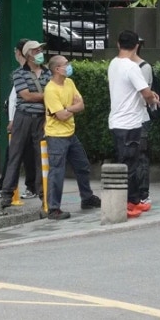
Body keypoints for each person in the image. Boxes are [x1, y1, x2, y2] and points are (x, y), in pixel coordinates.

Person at [107, 30, 160, 217]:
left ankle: (132, 200)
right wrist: (153, 98)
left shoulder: (113, 64)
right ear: (136, 46)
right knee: (130, 165)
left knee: (125, 162)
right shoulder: (132, 68)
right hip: (130, 122)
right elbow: (145, 92)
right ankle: (131, 202)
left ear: (118, 44)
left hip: (116, 121)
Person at [43, 55, 101, 219]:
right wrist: (72, 108)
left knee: (82, 166)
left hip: (70, 134)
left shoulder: (69, 83)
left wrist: (68, 109)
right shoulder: (50, 90)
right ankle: (53, 209)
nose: (69, 66)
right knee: (57, 173)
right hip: (56, 136)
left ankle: (87, 198)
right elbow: (61, 116)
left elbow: (81, 105)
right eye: (65, 64)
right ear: (57, 69)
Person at [0, 40, 50, 209]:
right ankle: (7, 194)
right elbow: (26, 95)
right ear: (28, 55)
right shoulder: (19, 74)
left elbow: (50, 94)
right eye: (36, 51)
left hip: (42, 118)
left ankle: (44, 194)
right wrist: (46, 95)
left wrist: (42, 96)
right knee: (15, 154)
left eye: (40, 50)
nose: (40, 53)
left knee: (41, 157)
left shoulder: (48, 73)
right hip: (23, 117)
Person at [0, 39, 36, 198]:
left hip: (26, 119)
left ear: (19, 52)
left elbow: (22, 98)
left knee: (18, 154)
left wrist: (13, 120)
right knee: (19, 153)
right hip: (21, 119)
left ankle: (22, 186)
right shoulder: (21, 71)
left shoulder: (30, 72)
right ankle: (8, 184)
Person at [132, 38, 154, 206]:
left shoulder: (143, 67)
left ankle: (142, 194)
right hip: (125, 120)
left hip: (140, 118)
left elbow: (145, 94)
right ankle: (131, 195)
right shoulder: (119, 65)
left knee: (141, 157)